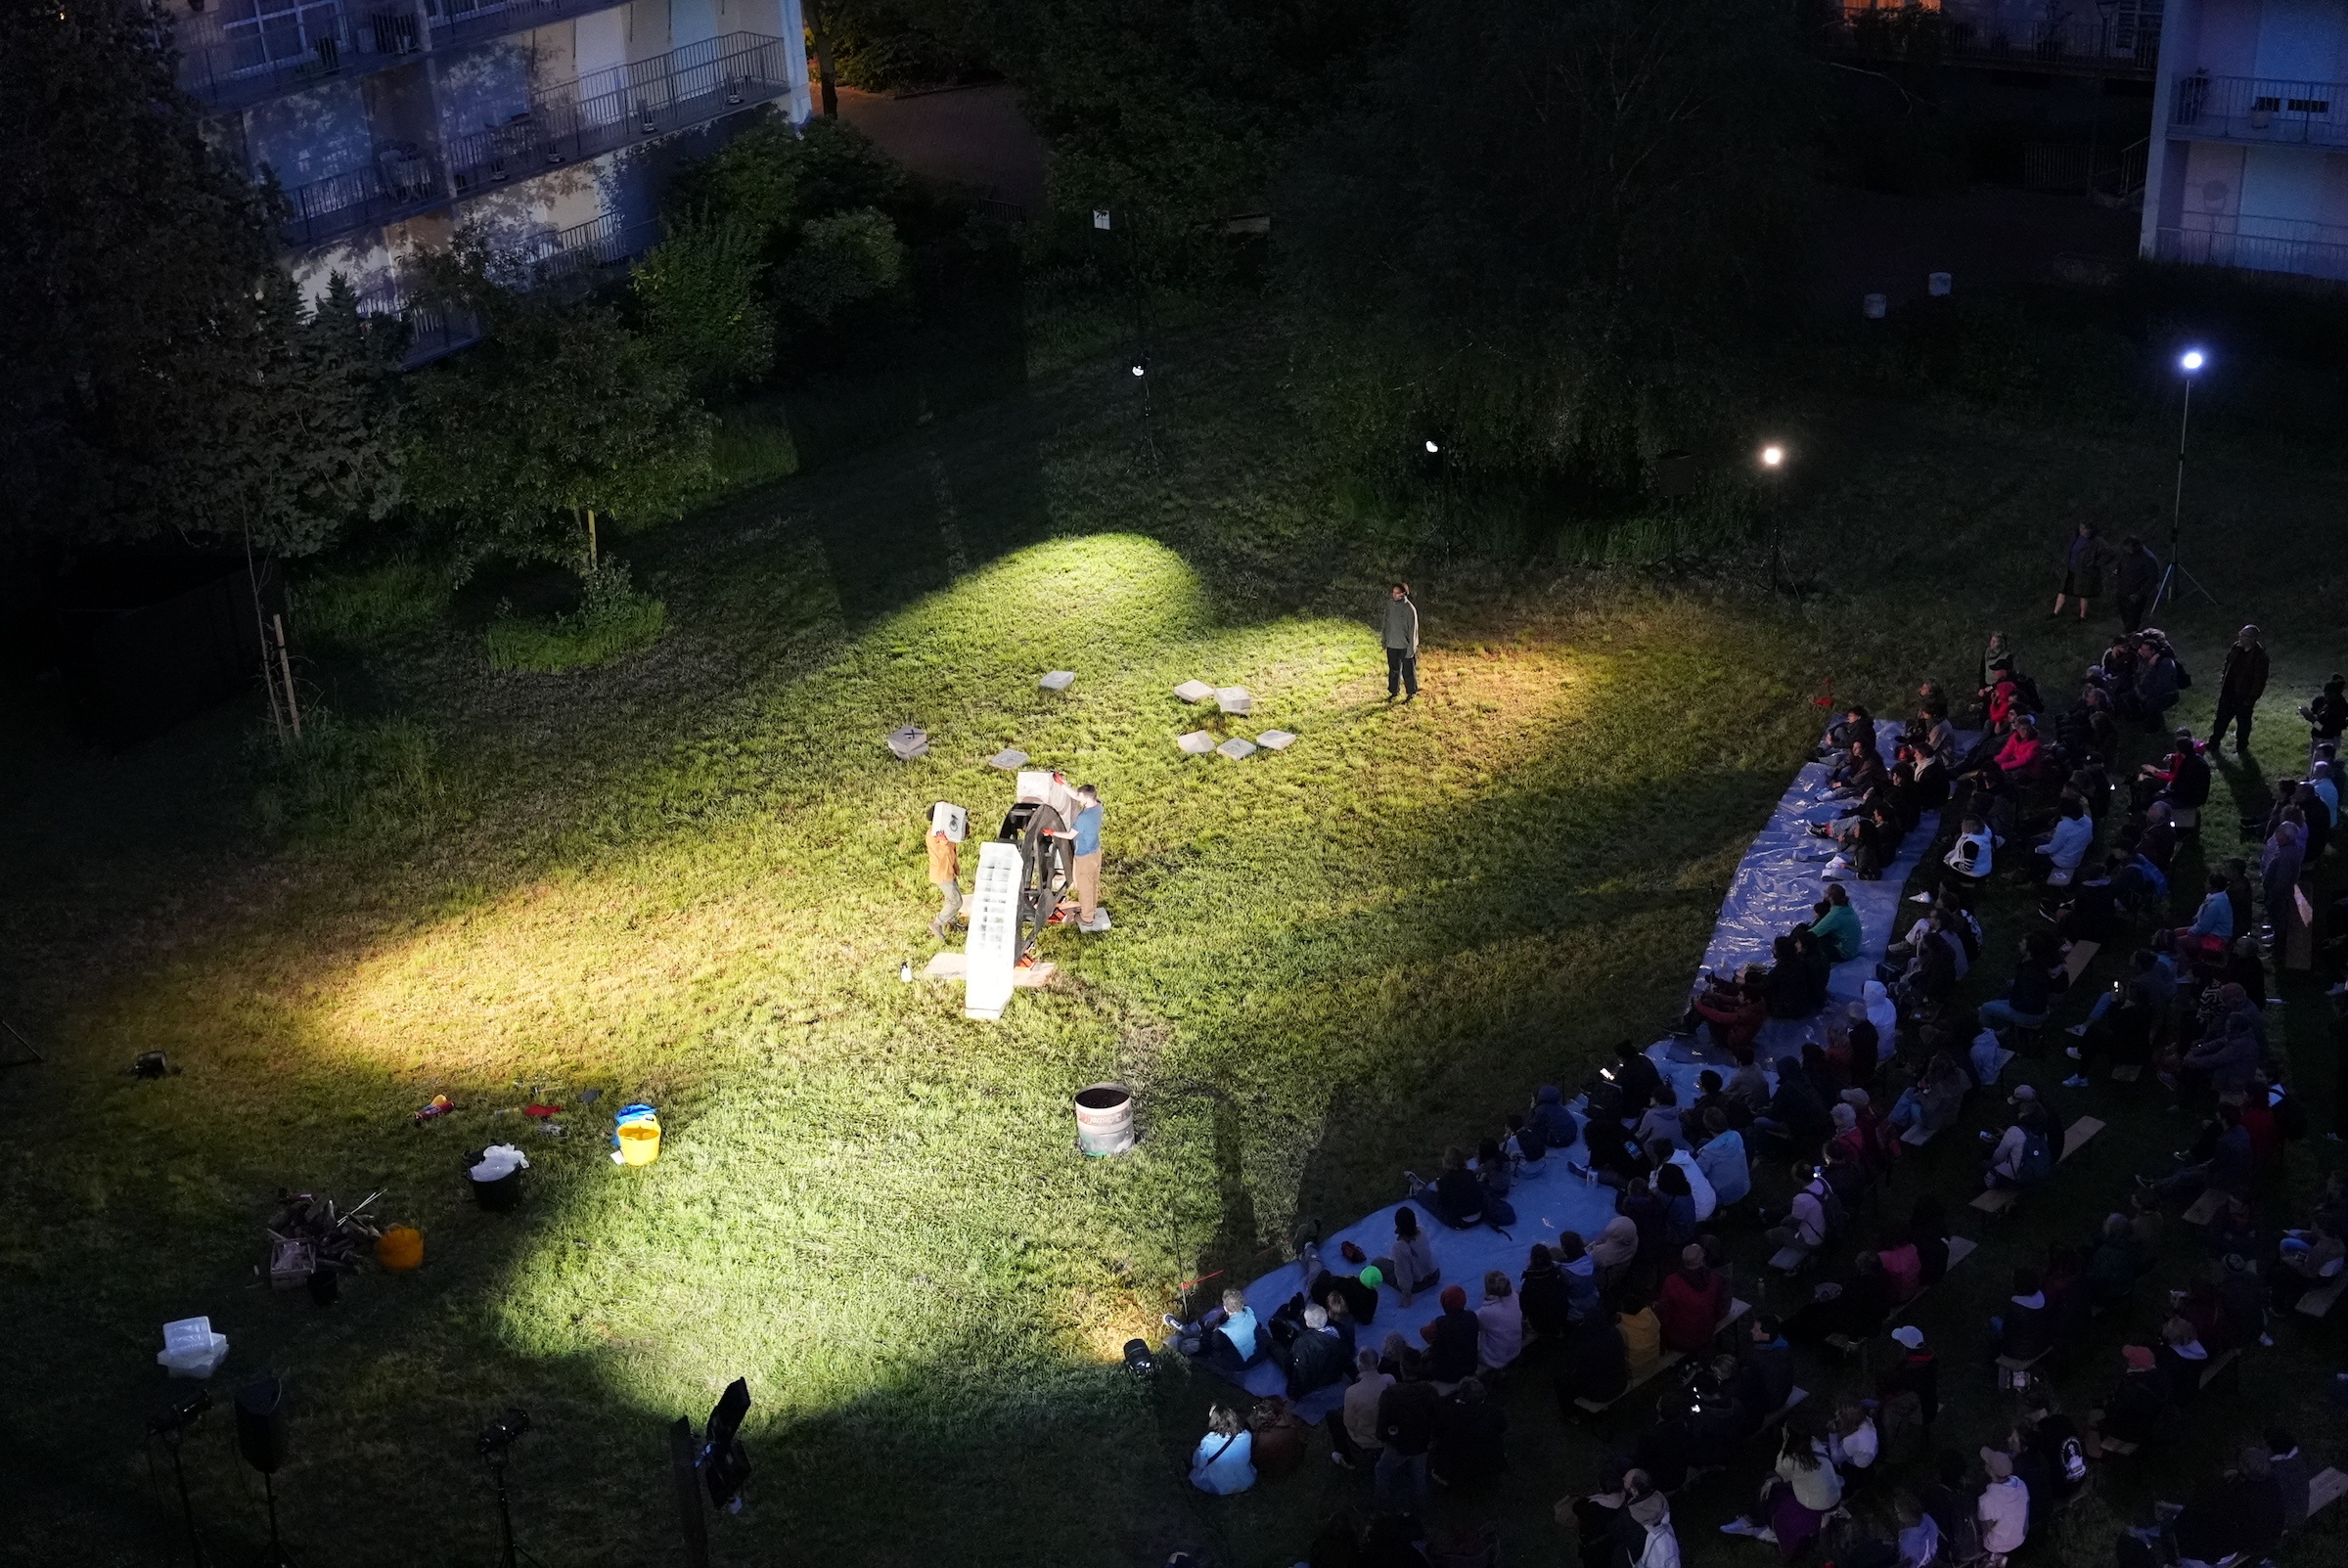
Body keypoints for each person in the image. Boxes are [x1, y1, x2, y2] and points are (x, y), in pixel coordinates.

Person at [1376, 1350, 1440, 1501]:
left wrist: (1386, 1438)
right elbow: (1437, 1417)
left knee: (1381, 1469)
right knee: (1419, 1470)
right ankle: (1421, 1501)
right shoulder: (1430, 1390)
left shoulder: (1390, 1394)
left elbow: (1381, 1429)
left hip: (1399, 1446)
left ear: (1401, 1368)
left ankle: (1382, 1502)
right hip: (1422, 1443)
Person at [1428, 1375, 1508, 1489]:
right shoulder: (1492, 1412)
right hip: (1490, 1467)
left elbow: (1436, 1434)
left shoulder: (1448, 1414)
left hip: (1455, 1472)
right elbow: (1502, 1429)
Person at [1657, 1243, 1731, 1354]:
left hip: (1679, 1339)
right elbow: (1721, 1305)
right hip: (1705, 1333)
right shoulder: (1714, 1279)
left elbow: (1663, 1311)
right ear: (1702, 1259)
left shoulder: (1672, 1282)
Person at [2211, 624, 2270, 757]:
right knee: (2220, 720)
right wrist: (2223, 678)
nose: (2240, 638)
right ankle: (2214, 743)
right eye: (2240, 634)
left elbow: (2259, 682)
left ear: (2252, 639)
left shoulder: (2260, 658)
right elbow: (2228, 663)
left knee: (2243, 724)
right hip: (2228, 693)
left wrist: (2250, 700)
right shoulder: (2236, 648)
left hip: (2243, 697)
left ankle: (2242, 747)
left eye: (2244, 636)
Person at [1057, 784, 1106, 932]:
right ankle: (1090, 909)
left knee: (1083, 886)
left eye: (1080, 796)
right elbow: (1076, 796)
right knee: (1092, 884)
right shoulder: (1098, 806)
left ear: (1085, 798)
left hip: (1084, 857)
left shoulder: (1084, 818)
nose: (1078, 798)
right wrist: (1062, 784)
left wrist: (1052, 833)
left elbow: (1070, 835)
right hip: (1095, 853)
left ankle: (1087, 919)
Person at [1332, 1347, 1390, 1471]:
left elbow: (1350, 1424)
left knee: (1334, 1417)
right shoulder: (1389, 1380)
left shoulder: (1352, 1392)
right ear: (1377, 1362)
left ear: (1359, 1366)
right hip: (1388, 1433)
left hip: (1368, 1440)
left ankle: (1347, 1458)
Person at [1374, 1207, 1439, 1307]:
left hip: (1418, 1285)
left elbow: (1404, 1276)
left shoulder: (1399, 1248)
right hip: (1435, 1276)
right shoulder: (1422, 1233)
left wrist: (1406, 1294)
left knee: (1378, 1262)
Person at [1420, 1284, 1480, 1389]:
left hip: (1446, 1374)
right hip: (1470, 1367)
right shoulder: (1471, 1316)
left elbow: (1425, 1333)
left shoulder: (1440, 1323)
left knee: (1421, 1361)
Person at [1976, 1447, 2030, 1559]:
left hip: (1997, 1545)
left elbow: (1985, 1528)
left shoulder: (1987, 1500)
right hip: (2020, 1538)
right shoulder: (2021, 1485)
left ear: (1992, 1471)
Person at [1189, 1404, 1255, 1494]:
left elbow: (1199, 1464)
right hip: (1246, 1481)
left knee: (1194, 1475)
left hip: (1220, 1485)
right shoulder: (1247, 1435)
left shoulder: (1209, 1440)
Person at [1881, 1324, 1940, 1424]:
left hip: (1920, 1413)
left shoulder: (1909, 1370)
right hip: (1930, 1405)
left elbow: (1895, 1392)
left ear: (1905, 1347)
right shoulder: (1930, 1359)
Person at [1694, 1109, 1752, 1207]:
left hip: (1722, 1198)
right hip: (1744, 1187)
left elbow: (1696, 1176)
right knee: (1703, 1142)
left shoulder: (1707, 1153)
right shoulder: (1736, 1135)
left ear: (1708, 1128)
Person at [2053, 520, 2106, 620]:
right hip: (2070, 570)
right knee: (2063, 591)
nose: (2081, 530)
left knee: (2083, 594)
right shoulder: (2076, 537)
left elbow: (2109, 553)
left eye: (2084, 528)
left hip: (2083, 572)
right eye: (2081, 528)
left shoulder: (2096, 541)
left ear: (2089, 530)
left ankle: (2082, 616)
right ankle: (2055, 613)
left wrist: (2094, 563)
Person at [1248, 1394, 1310, 1480]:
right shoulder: (1289, 1423)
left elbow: (1258, 1458)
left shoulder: (1264, 1437)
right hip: (1294, 1461)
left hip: (1274, 1470)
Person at [925, 806, 964, 939]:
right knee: (956, 901)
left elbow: (953, 850)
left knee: (951, 899)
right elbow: (943, 854)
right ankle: (937, 923)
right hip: (942, 874)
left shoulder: (944, 832)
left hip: (949, 871)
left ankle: (951, 923)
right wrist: (943, 842)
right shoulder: (933, 836)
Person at [1475, 1271, 1522, 1374]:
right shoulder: (1515, 1297)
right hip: (1515, 1349)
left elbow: (1473, 1324)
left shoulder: (1486, 1312)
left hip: (1495, 1359)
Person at [1381, 582, 1420, 702]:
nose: (1394, 595)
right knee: (1394, 670)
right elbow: (1385, 623)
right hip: (1392, 644)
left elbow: (1413, 630)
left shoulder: (1409, 609)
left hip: (1405, 645)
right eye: (1393, 592)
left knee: (1408, 671)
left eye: (1397, 593)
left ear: (1403, 594)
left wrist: (1411, 648)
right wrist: (1384, 640)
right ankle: (1394, 691)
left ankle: (1411, 693)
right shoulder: (1390, 605)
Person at [2113, 535, 2160, 631]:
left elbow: (2153, 578)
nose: (2126, 550)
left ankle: (2132, 639)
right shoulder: (2127, 554)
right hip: (2123, 592)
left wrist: (2140, 593)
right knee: (2125, 618)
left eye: (2128, 548)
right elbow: (2120, 565)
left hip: (2135, 594)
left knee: (2133, 621)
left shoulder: (2148, 558)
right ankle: (2128, 635)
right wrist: (2117, 571)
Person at [1813, 883, 1862, 963]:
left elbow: (1815, 932)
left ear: (1831, 898)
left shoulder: (1835, 915)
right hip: (1853, 949)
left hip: (1844, 953)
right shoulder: (1847, 906)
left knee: (1816, 941)